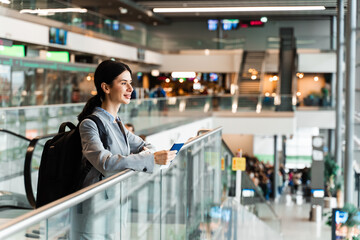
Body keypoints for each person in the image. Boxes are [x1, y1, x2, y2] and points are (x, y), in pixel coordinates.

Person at [72, 60, 177, 239]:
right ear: (106, 87)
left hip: (113, 211)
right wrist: (149, 159)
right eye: (123, 83)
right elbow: (105, 162)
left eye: (130, 83)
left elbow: (147, 145)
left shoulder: (118, 124)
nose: (131, 89)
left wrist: (145, 155)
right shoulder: (90, 124)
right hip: (93, 214)